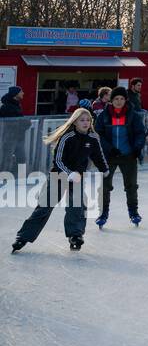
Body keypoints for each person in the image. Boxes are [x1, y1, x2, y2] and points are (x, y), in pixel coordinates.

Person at [11, 107, 107, 253]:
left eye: (88, 120)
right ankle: (23, 237)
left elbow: (98, 155)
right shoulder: (67, 137)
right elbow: (58, 160)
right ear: (74, 122)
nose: (85, 122)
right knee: (44, 207)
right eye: (82, 120)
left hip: (77, 178)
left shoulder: (93, 138)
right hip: (59, 175)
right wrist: (69, 173)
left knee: (77, 207)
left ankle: (75, 236)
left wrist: (104, 169)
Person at [93, 87, 146, 228]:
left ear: (125, 100)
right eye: (116, 98)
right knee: (105, 186)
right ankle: (103, 214)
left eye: (122, 99)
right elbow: (98, 134)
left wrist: (137, 148)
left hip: (128, 155)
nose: (119, 101)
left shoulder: (132, 115)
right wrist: (109, 149)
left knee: (131, 186)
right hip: (109, 156)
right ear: (111, 100)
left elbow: (140, 133)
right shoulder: (104, 116)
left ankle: (133, 213)